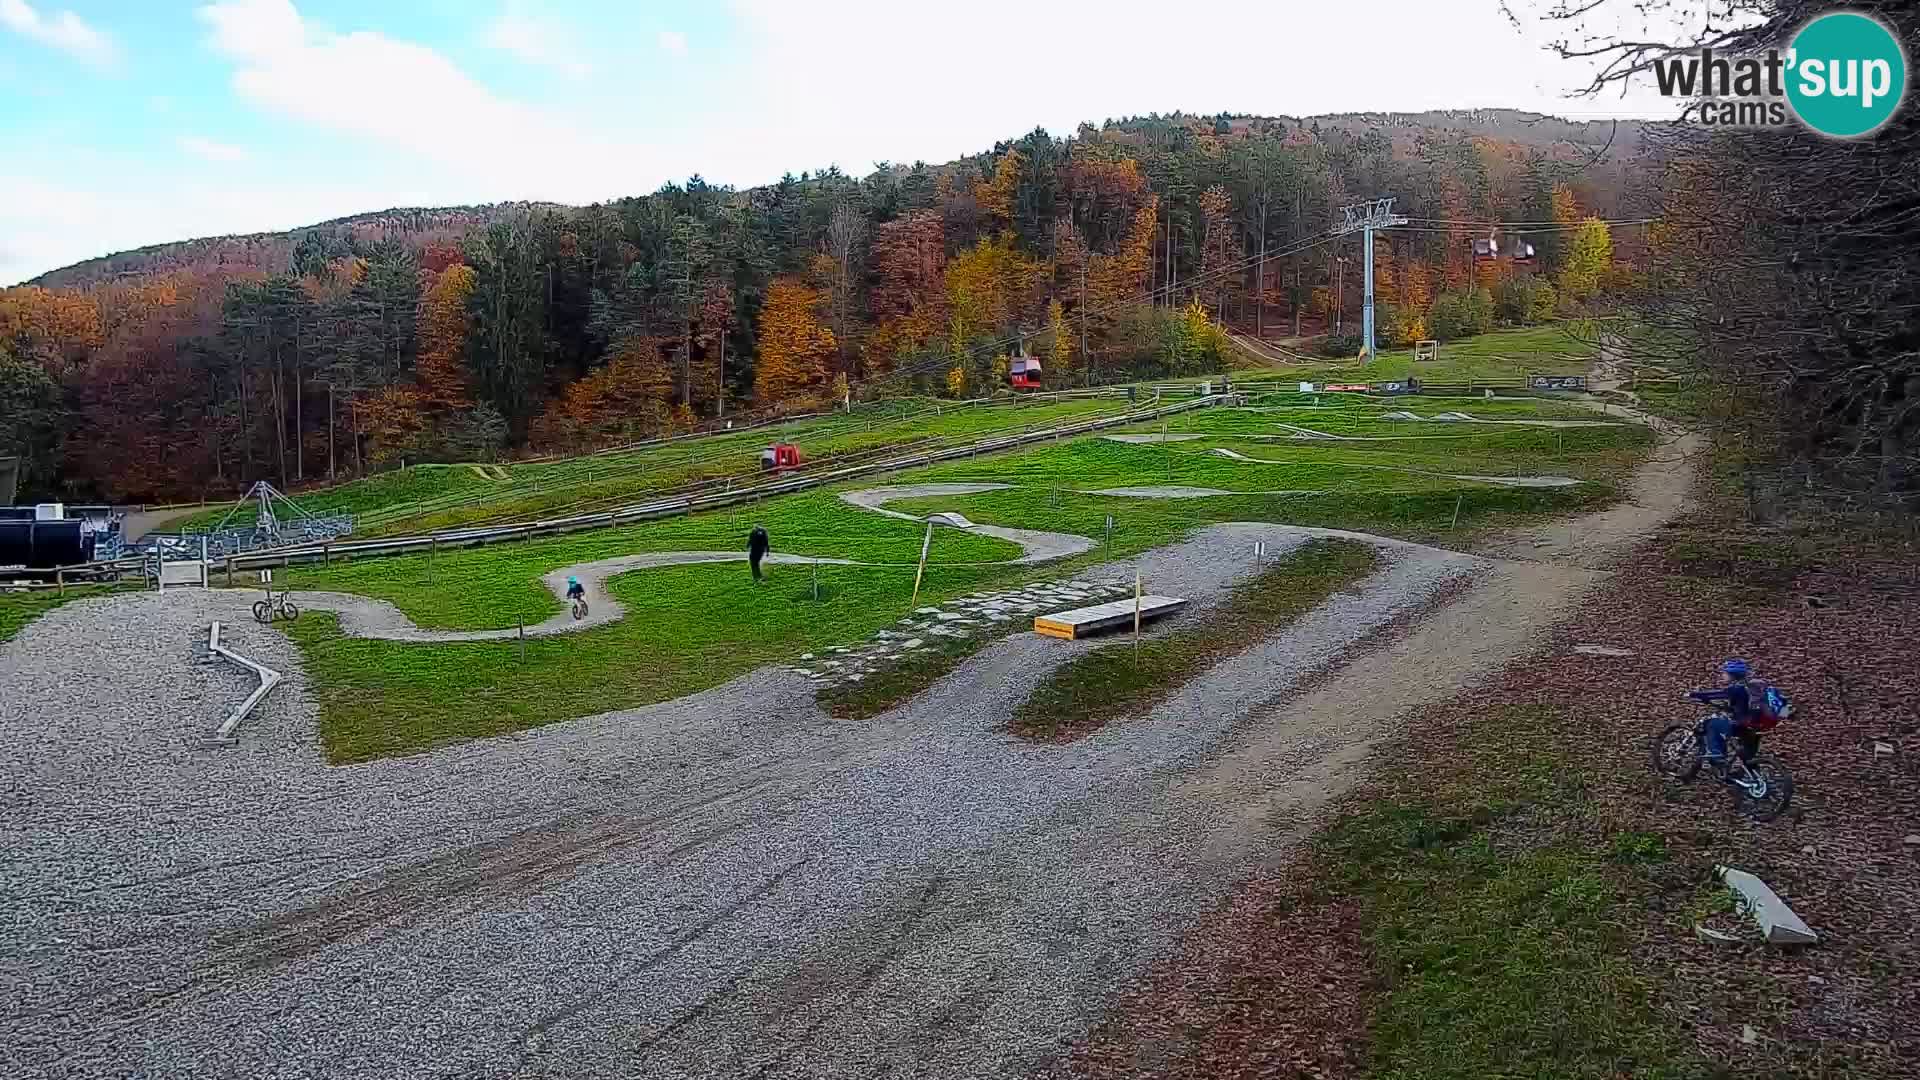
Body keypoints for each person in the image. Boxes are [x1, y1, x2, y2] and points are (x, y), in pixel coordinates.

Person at [1690, 658, 1754, 771]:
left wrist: (1696, 694)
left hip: (1740, 724)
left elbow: (1717, 694)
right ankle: (1750, 775)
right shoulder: (1749, 687)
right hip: (1755, 726)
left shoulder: (1736, 688)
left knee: (1712, 724)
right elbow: (1739, 706)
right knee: (1748, 756)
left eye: (1725, 673)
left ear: (1733, 675)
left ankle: (1717, 756)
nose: (1722, 675)